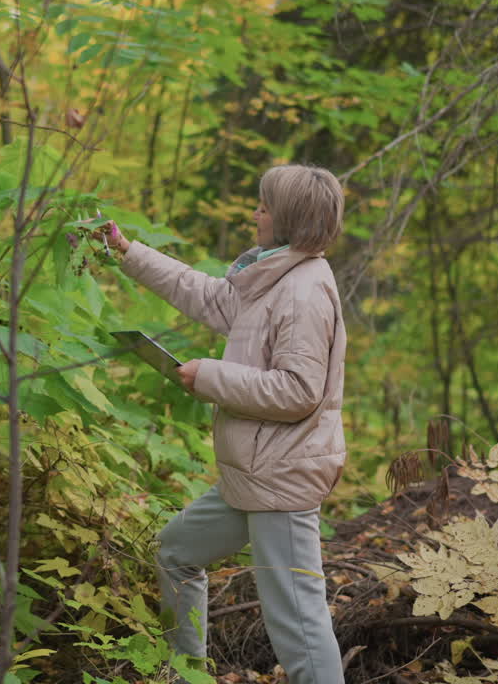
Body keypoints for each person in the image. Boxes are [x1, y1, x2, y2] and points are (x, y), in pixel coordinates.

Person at [99, 164, 347, 683]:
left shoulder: (304, 292)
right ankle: (186, 673)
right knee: (177, 551)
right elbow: (210, 297)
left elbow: (301, 392)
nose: (254, 213)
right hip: (250, 474)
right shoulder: (270, 277)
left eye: (263, 207)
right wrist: (129, 251)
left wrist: (209, 376)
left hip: (280, 479)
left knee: (298, 631)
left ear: (288, 223)